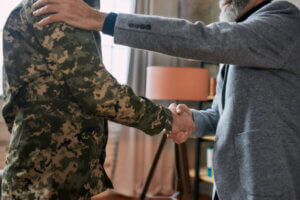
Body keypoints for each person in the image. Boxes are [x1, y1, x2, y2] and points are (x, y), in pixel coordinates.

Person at [33, 0, 300, 199]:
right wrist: (189, 119)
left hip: (270, 185)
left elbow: (206, 39)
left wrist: (104, 20)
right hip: (231, 187)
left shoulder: (282, 19)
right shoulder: (242, 40)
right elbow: (220, 115)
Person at [0, 0, 196, 199]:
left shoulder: (72, 7)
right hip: (44, 176)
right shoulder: (58, 5)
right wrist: (166, 118)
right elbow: (98, 92)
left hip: (56, 172)